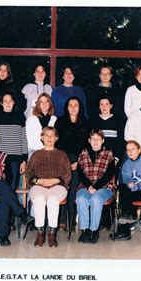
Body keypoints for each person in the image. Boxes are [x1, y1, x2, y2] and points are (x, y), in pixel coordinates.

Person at [26, 127, 71, 247]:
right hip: (38, 185)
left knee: (52, 200)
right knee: (39, 199)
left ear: (56, 138)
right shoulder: (36, 154)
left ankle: (52, 233)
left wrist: (53, 181)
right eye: (46, 135)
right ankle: (40, 233)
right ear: (41, 137)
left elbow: (67, 174)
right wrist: (39, 181)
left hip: (58, 186)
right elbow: (29, 173)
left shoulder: (62, 154)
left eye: (52, 135)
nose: (49, 138)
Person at [54, 96, 89, 229]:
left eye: (76, 105)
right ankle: (61, 220)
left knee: (73, 190)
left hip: (79, 161)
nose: (73, 108)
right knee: (61, 189)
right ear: (66, 107)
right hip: (62, 160)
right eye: (70, 105)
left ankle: (70, 219)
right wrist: (64, 162)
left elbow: (87, 146)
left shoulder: (85, 123)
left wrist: (79, 162)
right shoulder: (60, 121)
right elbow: (56, 143)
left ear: (80, 107)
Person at [75, 130, 116, 244]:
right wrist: (89, 186)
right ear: (89, 141)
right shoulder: (83, 153)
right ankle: (85, 230)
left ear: (103, 140)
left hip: (105, 187)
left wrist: (96, 187)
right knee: (81, 199)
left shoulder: (109, 153)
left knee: (96, 199)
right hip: (86, 186)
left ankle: (94, 230)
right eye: (93, 139)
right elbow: (80, 172)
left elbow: (110, 173)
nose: (96, 141)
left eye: (98, 139)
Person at [0, 91, 28, 191]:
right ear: (1, 103)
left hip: (15, 159)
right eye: (5, 101)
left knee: (12, 187)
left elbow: (23, 138)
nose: (8, 103)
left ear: (14, 102)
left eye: (10, 101)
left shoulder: (20, 117)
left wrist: (24, 160)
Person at [89, 95, 125, 164]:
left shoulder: (118, 120)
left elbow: (120, 141)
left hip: (113, 158)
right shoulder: (93, 121)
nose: (104, 107)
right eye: (101, 104)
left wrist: (116, 158)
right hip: (97, 158)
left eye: (107, 104)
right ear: (99, 106)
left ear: (111, 105)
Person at [26, 93, 57, 157]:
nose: (44, 104)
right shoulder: (31, 119)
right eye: (41, 102)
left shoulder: (54, 119)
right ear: (38, 104)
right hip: (35, 152)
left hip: (51, 152)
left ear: (50, 104)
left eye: (46, 101)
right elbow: (29, 140)